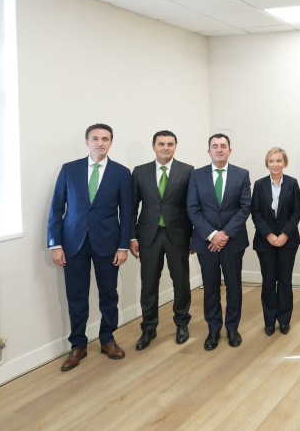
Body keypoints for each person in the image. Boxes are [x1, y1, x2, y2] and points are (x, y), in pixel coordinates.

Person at [47, 123, 132, 371]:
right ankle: (78, 345)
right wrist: (55, 244)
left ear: (111, 143)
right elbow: (56, 208)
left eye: (105, 139)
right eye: (95, 138)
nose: (100, 143)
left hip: (108, 244)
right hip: (73, 244)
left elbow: (127, 213)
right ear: (87, 142)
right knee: (76, 296)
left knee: (109, 294)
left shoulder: (121, 173)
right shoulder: (69, 169)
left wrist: (123, 247)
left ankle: (107, 339)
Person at [129, 130, 194, 350]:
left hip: (178, 235)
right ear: (153, 146)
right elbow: (132, 207)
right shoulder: (140, 172)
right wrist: (132, 236)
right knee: (148, 284)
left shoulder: (187, 171)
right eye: (161, 144)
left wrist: (193, 235)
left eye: (170, 144)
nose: (165, 147)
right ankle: (148, 328)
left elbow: (193, 206)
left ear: (175, 146)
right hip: (148, 236)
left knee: (181, 282)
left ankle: (182, 324)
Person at [187, 133, 251, 351]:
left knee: (234, 287)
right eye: (215, 146)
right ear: (209, 151)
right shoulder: (196, 175)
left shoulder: (242, 174)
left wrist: (225, 234)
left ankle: (232, 328)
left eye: (223, 146)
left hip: (233, 241)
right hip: (206, 242)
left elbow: (245, 208)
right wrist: (212, 234)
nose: (219, 149)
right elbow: (193, 209)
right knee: (210, 288)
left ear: (230, 151)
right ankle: (213, 330)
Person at [251, 147, 300, 336]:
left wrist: (285, 234)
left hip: (288, 241)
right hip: (265, 242)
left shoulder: (292, 183)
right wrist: (269, 235)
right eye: (271, 161)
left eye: (279, 160)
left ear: (285, 163)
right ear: (267, 164)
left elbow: (297, 211)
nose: (275, 164)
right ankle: (270, 320)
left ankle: (284, 320)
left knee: (285, 280)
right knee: (269, 281)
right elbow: (255, 213)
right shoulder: (259, 184)